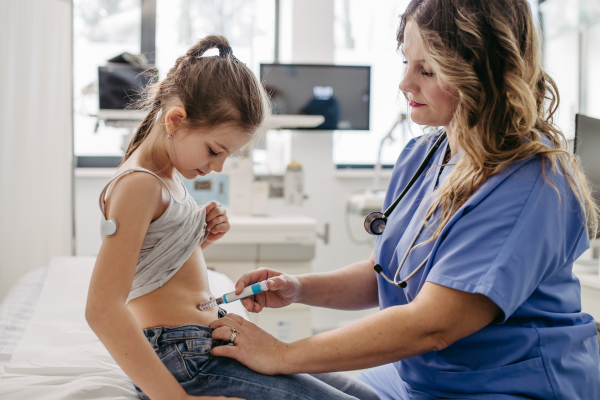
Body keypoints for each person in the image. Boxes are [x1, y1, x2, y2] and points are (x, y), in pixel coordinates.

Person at [207, 1, 600, 399]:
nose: (404, 83)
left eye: (427, 70)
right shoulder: (425, 154)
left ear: (484, 72)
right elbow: (389, 273)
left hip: (506, 386)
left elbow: (433, 323)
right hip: (423, 378)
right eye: (406, 62)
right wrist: (299, 287)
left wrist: (281, 353)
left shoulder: (529, 180)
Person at [85, 35, 379, 400]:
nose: (218, 167)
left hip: (206, 343)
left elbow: (151, 267)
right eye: (214, 150)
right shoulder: (140, 185)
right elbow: (101, 309)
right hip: (184, 357)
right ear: (176, 119)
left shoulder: (167, 176)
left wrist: (194, 238)